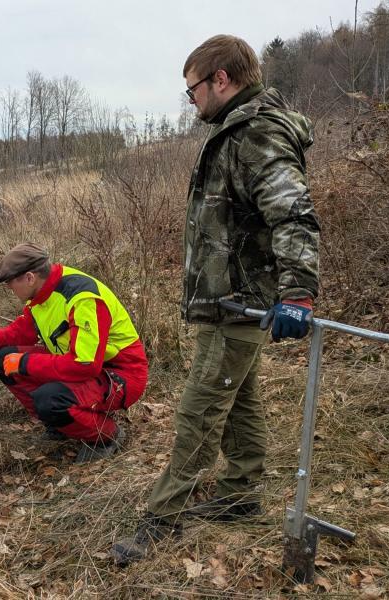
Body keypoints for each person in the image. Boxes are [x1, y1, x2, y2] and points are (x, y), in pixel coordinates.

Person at [110, 35, 320, 566]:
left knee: (200, 409)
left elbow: (292, 213)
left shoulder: (259, 134)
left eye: (193, 90)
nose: (193, 101)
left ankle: (160, 517)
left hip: (243, 302)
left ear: (220, 79)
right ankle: (242, 491)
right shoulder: (235, 133)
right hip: (227, 301)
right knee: (238, 399)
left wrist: (297, 292)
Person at [0, 243, 149, 463]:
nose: (9, 288)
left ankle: (106, 435)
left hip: (120, 374)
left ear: (29, 277)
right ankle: (59, 424)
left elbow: (85, 364)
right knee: (3, 358)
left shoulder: (82, 298)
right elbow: (24, 331)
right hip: (84, 367)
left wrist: (26, 363)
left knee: (51, 399)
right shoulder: (43, 291)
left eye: (10, 283)